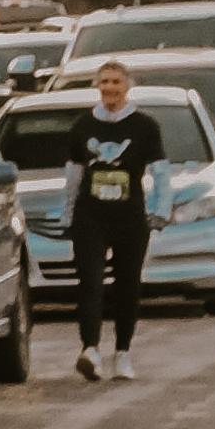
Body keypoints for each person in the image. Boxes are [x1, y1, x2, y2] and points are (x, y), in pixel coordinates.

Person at [68, 59, 163, 379]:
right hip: (91, 216)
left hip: (130, 217)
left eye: (115, 82)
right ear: (97, 86)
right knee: (90, 281)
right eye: (104, 82)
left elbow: (161, 171)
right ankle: (90, 350)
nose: (110, 88)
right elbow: (74, 175)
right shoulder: (83, 126)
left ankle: (122, 352)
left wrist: (162, 209)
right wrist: (67, 213)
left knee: (127, 284)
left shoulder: (144, 126)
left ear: (127, 86)